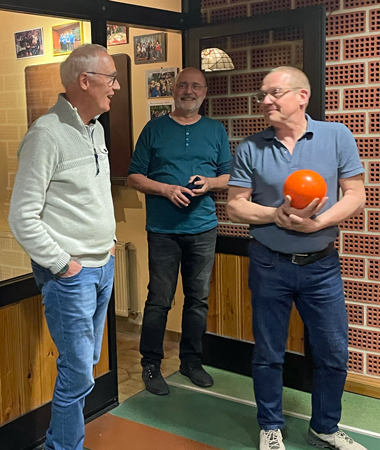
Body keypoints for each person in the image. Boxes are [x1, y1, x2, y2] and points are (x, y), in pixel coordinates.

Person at [226, 66, 366, 450]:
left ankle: (325, 428)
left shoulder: (337, 136)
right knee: (268, 352)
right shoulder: (251, 147)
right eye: (262, 94)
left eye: (274, 93)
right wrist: (276, 215)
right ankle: (270, 426)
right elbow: (236, 206)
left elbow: (356, 194)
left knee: (333, 352)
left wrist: (317, 222)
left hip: (322, 265)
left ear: (302, 96)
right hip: (268, 263)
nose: (265, 101)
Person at [9, 44, 119, 450]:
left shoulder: (96, 129)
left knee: (86, 365)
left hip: (102, 266)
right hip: (72, 276)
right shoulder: (45, 134)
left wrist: (108, 247)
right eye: (111, 79)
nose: (116, 87)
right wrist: (62, 264)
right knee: (77, 372)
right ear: (84, 81)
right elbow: (22, 216)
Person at [128, 67, 231, 396]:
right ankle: (151, 364)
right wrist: (166, 189)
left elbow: (229, 175)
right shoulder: (154, 129)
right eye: (183, 85)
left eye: (196, 86)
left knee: (198, 300)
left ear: (205, 92)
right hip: (163, 230)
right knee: (159, 300)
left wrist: (210, 183)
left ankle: (190, 361)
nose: (189, 91)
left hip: (203, 228)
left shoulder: (215, 130)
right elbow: (134, 177)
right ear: (173, 90)